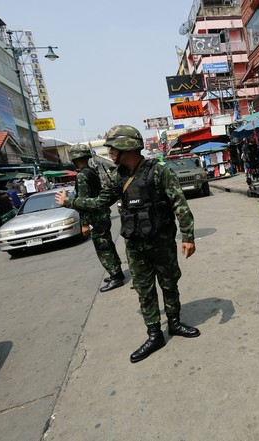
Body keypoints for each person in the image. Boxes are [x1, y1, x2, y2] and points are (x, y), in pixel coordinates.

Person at [56, 125, 200, 363]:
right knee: (144, 291)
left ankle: (174, 323)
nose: (110, 152)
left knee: (169, 283)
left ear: (127, 147)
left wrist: (188, 236)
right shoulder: (116, 177)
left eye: (113, 147)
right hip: (135, 246)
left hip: (162, 242)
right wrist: (71, 202)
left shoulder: (159, 171)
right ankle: (155, 335)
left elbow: (179, 204)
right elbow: (100, 203)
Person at [69, 143, 124, 292]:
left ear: (74, 158)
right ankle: (116, 272)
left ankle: (116, 276)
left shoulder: (82, 175)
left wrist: (85, 224)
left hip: (95, 216)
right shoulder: (91, 171)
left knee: (103, 247)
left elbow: (84, 202)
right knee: (107, 244)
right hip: (102, 213)